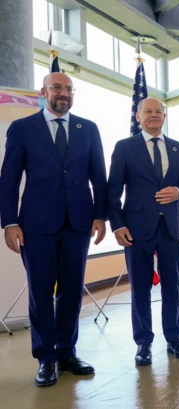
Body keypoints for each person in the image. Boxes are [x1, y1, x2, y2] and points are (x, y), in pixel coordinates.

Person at [0, 72, 107, 387]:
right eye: (57, 87)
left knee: (72, 293)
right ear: (43, 92)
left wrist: (100, 216)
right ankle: (46, 358)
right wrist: (9, 222)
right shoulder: (22, 128)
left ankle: (67, 353)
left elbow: (99, 177)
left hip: (78, 225)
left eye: (69, 89)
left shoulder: (87, 129)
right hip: (36, 226)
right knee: (41, 294)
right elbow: (7, 180)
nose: (64, 93)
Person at [107, 97, 179, 365]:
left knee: (172, 285)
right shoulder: (125, 147)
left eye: (159, 112)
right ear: (138, 116)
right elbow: (112, 192)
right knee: (140, 289)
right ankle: (143, 342)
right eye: (148, 112)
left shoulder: (178, 148)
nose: (154, 115)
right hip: (136, 229)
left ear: (164, 117)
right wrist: (118, 225)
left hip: (171, 227)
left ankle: (174, 338)